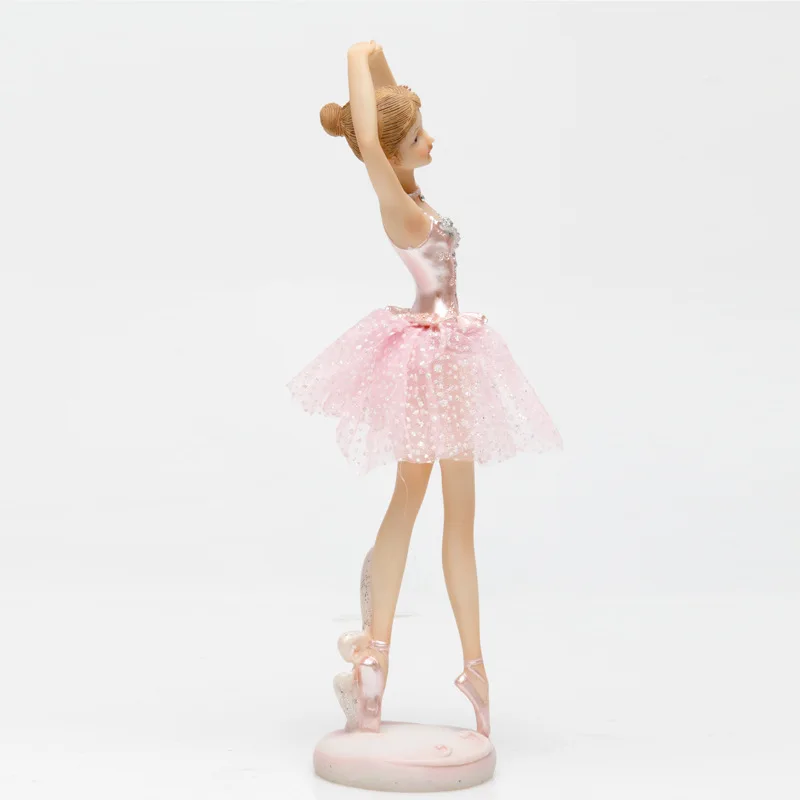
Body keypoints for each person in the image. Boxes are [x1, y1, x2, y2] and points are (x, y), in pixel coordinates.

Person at [286, 41, 564, 738]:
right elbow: (371, 135)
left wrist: (379, 67)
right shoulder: (398, 207)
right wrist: (357, 58)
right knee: (424, 508)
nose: (430, 140)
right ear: (390, 156)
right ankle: (410, 660)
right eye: (417, 138)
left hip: (443, 356)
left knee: (435, 511)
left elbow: (385, 112)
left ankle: (415, 662)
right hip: (438, 361)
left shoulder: (411, 197)